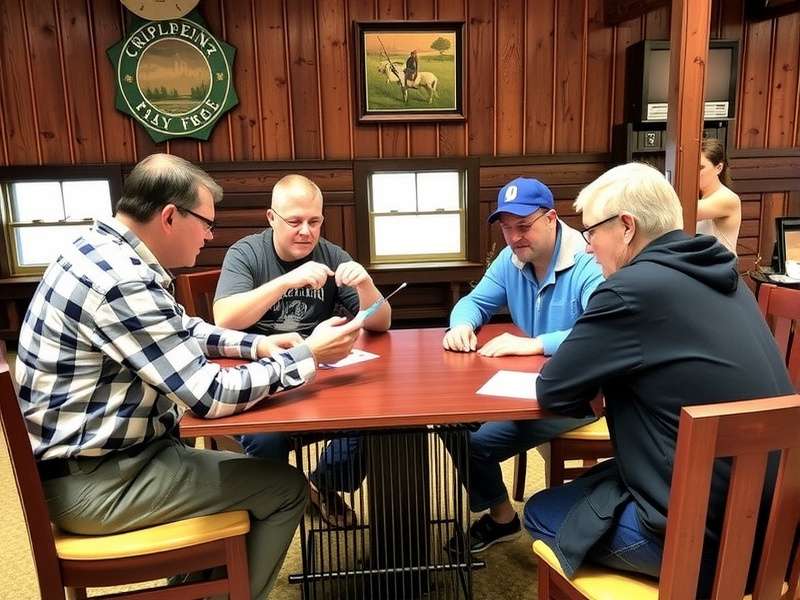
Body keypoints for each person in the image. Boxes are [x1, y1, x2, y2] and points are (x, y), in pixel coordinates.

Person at [15, 153, 362, 600]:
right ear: (170, 217)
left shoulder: (99, 252)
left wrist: (256, 345)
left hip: (101, 463)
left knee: (254, 479)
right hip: (100, 482)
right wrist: (308, 353)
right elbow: (210, 395)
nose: (209, 236)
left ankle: (200, 590)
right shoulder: (121, 281)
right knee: (285, 489)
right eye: (206, 224)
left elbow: (180, 328)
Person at [524, 162, 795, 597]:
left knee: (542, 510)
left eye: (591, 232)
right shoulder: (724, 276)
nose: (587, 248)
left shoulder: (628, 290)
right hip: (779, 532)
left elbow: (554, 388)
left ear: (626, 227)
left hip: (705, 549)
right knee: (602, 483)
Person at [214, 174, 391, 528]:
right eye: (294, 222)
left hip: (317, 376)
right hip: (260, 380)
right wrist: (286, 281)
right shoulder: (247, 253)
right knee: (267, 438)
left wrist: (367, 285)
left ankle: (321, 483)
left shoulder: (331, 254)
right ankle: (280, 503)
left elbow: (380, 321)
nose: (306, 232)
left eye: (314, 221)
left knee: (376, 417)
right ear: (271, 218)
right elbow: (225, 319)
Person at [442, 177, 604, 553]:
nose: (514, 237)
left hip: (581, 392)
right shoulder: (511, 259)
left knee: (474, 442)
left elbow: (600, 335)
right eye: (506, 227)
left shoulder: (588, 260)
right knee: (452, 420)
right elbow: (474, 302)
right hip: (530, 386)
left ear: (550, 218)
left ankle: (502, 521)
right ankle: (502, 513)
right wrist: (462, 324)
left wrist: (533, 344)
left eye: (524, 226)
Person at [696, 138, 741, 254]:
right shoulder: (701, 197)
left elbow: (689, 212)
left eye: (700, 168)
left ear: (719, 168)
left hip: (720, 269)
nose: (694, 172)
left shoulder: (728, 198)